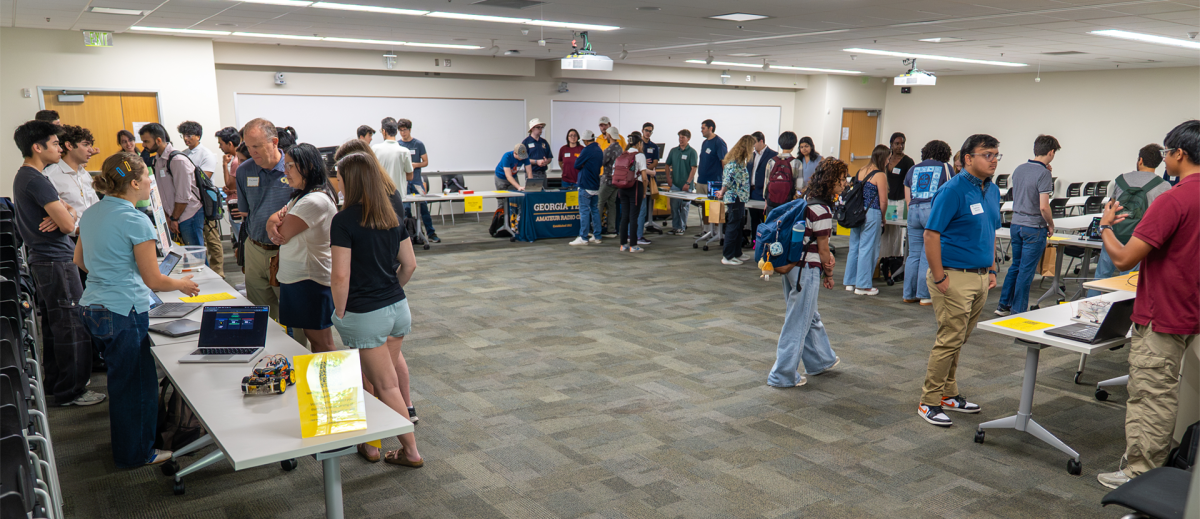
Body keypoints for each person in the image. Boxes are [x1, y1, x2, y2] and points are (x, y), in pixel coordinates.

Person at [75, 151, 199, 467]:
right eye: (146, 178)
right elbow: (154, 281)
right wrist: (183, 285)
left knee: (122, 382)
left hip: (94, 308)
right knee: (136, 387)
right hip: (123, 313)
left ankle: (131, 445)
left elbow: (80, 262)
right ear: (134, 182)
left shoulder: (91, 213)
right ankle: (136, 454)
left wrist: (112, 274)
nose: (149, 183)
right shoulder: (135, 219)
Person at [1094, 120, 1200, 489]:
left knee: (1152, 394)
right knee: (1175, 390)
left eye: (1168, 153)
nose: (1165, 159)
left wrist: (1105, 226)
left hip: (1163, 312)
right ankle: (1169, 457)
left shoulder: (1174, 199)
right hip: (1193, 311)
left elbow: (1124, 259)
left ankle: (1139, 473)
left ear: (1180, 154)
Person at [329, 151, 423, 467]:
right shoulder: (391, 217)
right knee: (385, 381)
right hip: (398, 308)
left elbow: (340, 275)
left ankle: (411, 452)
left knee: (384, 386)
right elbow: (409, 265)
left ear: (350, 181)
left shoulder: (343, 221)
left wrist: (339, 313)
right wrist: (389, 290)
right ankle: (372, 440)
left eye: (340, 177)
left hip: (365, 315)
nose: (337, 182)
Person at [13, 120, 103, 407]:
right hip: (56, 260)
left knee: (55, 326)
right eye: (53, 143)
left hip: (47, 259)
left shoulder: (27, 176)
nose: (58, 147)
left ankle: (56, 384)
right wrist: (67, 214)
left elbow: (68, 213)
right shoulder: (37, 179)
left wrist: (66, 211)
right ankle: (72, 391)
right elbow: (67, 224)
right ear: (37, 148)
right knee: (72, 327)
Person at [918, 134, 1002, 428]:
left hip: (980, 278)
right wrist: (940, 277)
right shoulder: (952, 190)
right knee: (949, 339)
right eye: (987, 155)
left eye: (996, 155)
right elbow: (931, 235)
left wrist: (991, 270)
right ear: (968, 158)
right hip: (953, 276)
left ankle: (949, 393)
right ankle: (929, 401)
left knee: (958, 340)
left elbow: (991, 231)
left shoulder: (992, 191)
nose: (993, 160)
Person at [767, 158, 844, 388]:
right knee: (798, 320)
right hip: (807, 271)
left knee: (807, 315)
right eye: (841, 180)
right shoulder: (823, 210)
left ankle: (821, 360)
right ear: (830, 182)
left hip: (792, 267)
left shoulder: (805, 201)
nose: (844, 184)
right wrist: (828, 275)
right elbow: (823, 251)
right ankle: (781, 375)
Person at [264, 143, 338, 352]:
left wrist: (275, 226)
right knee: (313, 336)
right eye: (285, 165)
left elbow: (282, 235)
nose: (285, 171)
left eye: (290, 166)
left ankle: (329, 383)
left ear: (308, 166)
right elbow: (274, 221)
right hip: (300, 278)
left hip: (309, 279)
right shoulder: (300, 196)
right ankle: (322, 381)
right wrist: (271, 224)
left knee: (320, 340)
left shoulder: (313, 200)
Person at [1086, 144, 1170, 298]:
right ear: (1159, 163)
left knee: (1101, 276)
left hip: (1114, 234)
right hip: (1139, 239)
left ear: (1140, 160)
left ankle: (1090, 311)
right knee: (1128, 280)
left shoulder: (1121, 179)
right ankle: (1121, 316)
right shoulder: (1163, 186)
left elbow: (1110, 207)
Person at [237, 118, 294, 322]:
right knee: (262, 316)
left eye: (257, 146)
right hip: (255, 248)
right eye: (248, 147)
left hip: (287, 251)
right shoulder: (244, 171)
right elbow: (245, 212)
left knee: (293, 315)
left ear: (274, 142)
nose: (253, 152)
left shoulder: (294, 168)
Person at [996, 135, 1059, 316]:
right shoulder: (1044, 173)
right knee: (1026, 270)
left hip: (1016, 224)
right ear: (1051, 152)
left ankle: (1003, 305)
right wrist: (1051, 224)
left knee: (1015, 265)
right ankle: (1018, 310)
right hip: (1034, 227)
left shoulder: (1019, 169)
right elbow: (1043, 206)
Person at [902, 140, 956, 306]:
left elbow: (907, 197)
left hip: (913, 210)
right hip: (931, 209)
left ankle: (909, 294)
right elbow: (949, 192)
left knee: (913, 254)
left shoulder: (913, 169)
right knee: (928, 252)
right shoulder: (945, 168)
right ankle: (925, 295)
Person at [140, 123, 204, 247]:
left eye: (146, 141)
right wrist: (168, 217)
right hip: (173, 216)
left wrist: (174, 218)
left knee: (196, 258)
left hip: (188, 215)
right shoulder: (158, 160)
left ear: (158, 140)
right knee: (180, 255)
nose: (143, 145)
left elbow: (183, 195)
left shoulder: (178, 160)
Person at [178, 121, 224, 278]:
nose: (186, 139)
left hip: (206, 202)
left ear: (198, 136)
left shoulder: (206, 154)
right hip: (190, 204)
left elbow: (203, 180)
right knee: (197, 242)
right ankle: (203, 271)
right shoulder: (182, 154)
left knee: (212, 239)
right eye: (184, 135)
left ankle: (218, 273)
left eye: (189, 135)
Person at [843, 145, 889, 295]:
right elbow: (883, 201)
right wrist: (883, 217)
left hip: (857, 213)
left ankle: (850, 282)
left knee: (854, 247)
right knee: (867, 248)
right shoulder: (880, 175)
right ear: (883, 158)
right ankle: (863, 285)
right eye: (888, 158)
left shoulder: (860, 171)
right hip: (872, 213)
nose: (889, 161)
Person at [44, 125, 100, 229]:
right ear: (69, 146)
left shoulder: (85, 174)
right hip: (71, 236)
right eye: (85, 145)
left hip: (93, 232)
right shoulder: (50, 175)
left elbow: (96, 206)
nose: (91, 150)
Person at [714, 135, 754, 265]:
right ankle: (727, 256)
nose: (752, 150)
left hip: (740, 197)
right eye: (751, 147)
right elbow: (728, 180)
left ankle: (737, 253)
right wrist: (722, 191)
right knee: (732, 226)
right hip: (734, 197)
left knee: (738, 226)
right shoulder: (734, 162)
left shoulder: (740, 161)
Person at [880, 132, 914, 282]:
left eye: (902, 143)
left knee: (898, 233)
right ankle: (883, 260)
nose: (900, 146)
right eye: (897, 143)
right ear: (891, 144)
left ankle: (895, 260)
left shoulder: (908, 162)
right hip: (885, 199)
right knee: (884, 230)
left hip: (900, 200)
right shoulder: (886, 159)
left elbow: (910, 183)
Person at [397, 119, 438, 243]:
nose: (403, 133)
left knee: (424, 207)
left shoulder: (418, 144)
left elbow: (425, 162)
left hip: (416, 181)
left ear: (409, 129)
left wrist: (415, 165)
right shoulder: (398, 145)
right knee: (405, 209)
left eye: (404, 130)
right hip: (404, 182)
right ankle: (407, 235)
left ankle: (431, 233)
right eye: (400, 130)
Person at [617, 132, 652, 253]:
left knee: (625, 216)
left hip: (622, 187)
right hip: (636, 186)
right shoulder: (639, 155)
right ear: (638, 144)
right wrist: (644, 190)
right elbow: (644, 175)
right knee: (634, 217)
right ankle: (633, 245)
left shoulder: (623, 154)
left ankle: (623, 244)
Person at [568, 130, 602, 246]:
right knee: (595, 210)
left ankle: (583, 237)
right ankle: (597, 236)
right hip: (596, 185)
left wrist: (584, 164)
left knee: (584, 212)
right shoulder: (599, 149)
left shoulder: (587, 150)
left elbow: (576, 164)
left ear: (585, 140)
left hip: (585, 185)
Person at [664, 129, 698, 235]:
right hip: (675, 184)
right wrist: (668, 178)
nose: (681, 139)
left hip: (686, 185)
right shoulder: (674, 151)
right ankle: (675, 227)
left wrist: (688, 183)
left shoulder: (692, 152)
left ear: (688, 139)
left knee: (684, 207)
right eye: (679, 137)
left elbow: (693, 168)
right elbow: (667, 165)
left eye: (683, 137)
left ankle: (682, 227)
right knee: (674, 206)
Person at [761, 132, 802, 215]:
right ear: (794, 145)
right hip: (788, 204)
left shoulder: (771, 161)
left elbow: (766, 184)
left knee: (771, 226)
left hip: (771, 203)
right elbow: (799, 188)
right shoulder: (796, 163)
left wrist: (767, 202)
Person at [215, 126, 243, 247]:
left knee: (241, 242)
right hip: (238, 202)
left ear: (230, 144)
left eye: (221, 144)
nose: (220, 147)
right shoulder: (240, 159)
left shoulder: (236, 161)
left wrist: (224, 164)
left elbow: (229, 184)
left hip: (236, 205)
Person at [748, 130, 779, 236]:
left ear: (761, 141)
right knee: (754, 219)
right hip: (752, 191)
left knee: (765, 219)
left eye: (754, 143)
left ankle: (765, 242)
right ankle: (754, 242)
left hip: (764, 192)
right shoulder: (751, 155)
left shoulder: (773, 155)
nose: (753, 146)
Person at [635, 122, 661, 245]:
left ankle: (644, 226)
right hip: (639, 179)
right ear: (642, 130)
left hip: (649, 178)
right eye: (646, 130)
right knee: (640, 208)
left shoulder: (654, 147)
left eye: (650, 131)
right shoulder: (638, 146)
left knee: (646, 205)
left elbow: (655, 161)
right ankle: (638, 234)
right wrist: (644, 167)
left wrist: (647, 168)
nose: (648, 133)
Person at [371, 119, 414, 192]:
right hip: (399, 195)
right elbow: (410, 176)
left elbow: (371, 173)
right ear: (397, 132)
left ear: (384, 131)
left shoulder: (375, 149)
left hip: (381, 196)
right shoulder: (404, 151)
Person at [598, 126, 623, 237]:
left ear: (609, 135)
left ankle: (596, 230)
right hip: (616, 181)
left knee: (599, 203)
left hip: (607, 180)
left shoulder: (609, 149)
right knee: (611, 204)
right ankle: (611, 230)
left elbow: (601, 162)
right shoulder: (620, 148)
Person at [697, 119, 727, 194]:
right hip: (701, 181)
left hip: (713, 182)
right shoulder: (705, 142)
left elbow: (724, 162)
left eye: (703, 128)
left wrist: (725, 182)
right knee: (700, 205)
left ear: (711, 128)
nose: (701, 131)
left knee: (712, 205)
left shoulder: (719, 142)